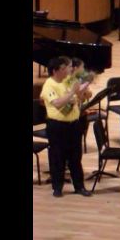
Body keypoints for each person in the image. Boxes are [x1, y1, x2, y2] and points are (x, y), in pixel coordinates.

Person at [40, 56, 92, 198]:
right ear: (59, 70)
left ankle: (79, 186)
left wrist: (82, 91)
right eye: (68, 67)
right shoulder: (49, 85)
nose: (71, 69)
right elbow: (57, 103)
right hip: (57, 126)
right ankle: (57, 188)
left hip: (73, 124)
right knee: (58, 157)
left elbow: (78, 99)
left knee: (76, 157)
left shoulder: (69, 81)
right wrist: (72, 92)